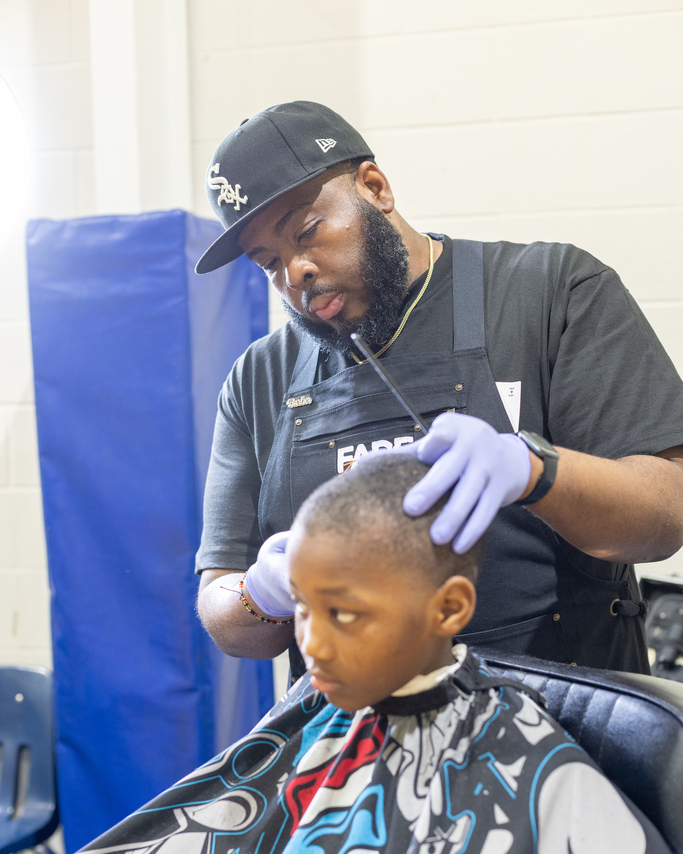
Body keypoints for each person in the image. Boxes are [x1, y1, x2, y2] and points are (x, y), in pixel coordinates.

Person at [1, 453, 681, 854]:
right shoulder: (317, 714)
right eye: (300, 609)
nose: (311, 646)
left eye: (344, 614)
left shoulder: (512, 755)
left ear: (449, 608)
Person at [194, 100, 683, 675]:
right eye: (268, 263)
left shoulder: (550, 293)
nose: (295, 273)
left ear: (375, 187)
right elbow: (221, 605)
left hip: (558, 730)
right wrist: (266, 589)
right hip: (360, 749)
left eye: (307, 231)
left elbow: (666, 509)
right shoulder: (259, 379)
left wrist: (535, 471)